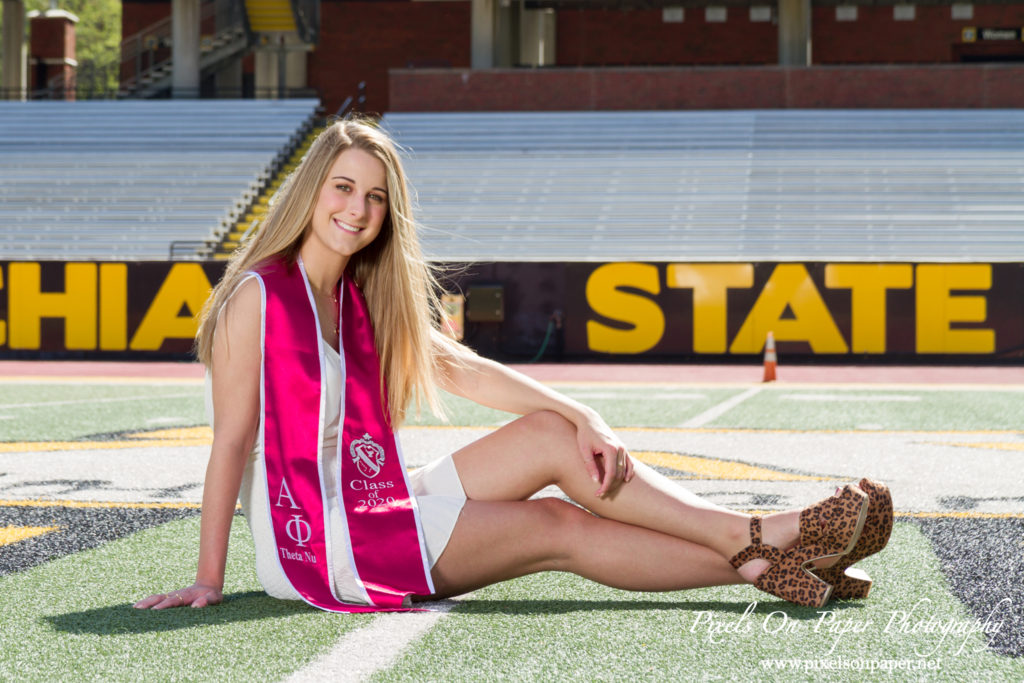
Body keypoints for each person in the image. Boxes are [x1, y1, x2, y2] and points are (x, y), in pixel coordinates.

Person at [135, 118, 892, 613]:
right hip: (321, 537)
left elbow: (461, 368)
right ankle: (766, 546)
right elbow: (231, 443)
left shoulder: (357, 299)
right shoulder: (257, 299)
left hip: (380, 497)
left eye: (374, 197)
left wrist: (581, 415)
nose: (357, 209)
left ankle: (763, 546)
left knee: (549, 436)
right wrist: (210, 577)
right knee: (557, 525)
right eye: (342, 187)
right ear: (311, 191)